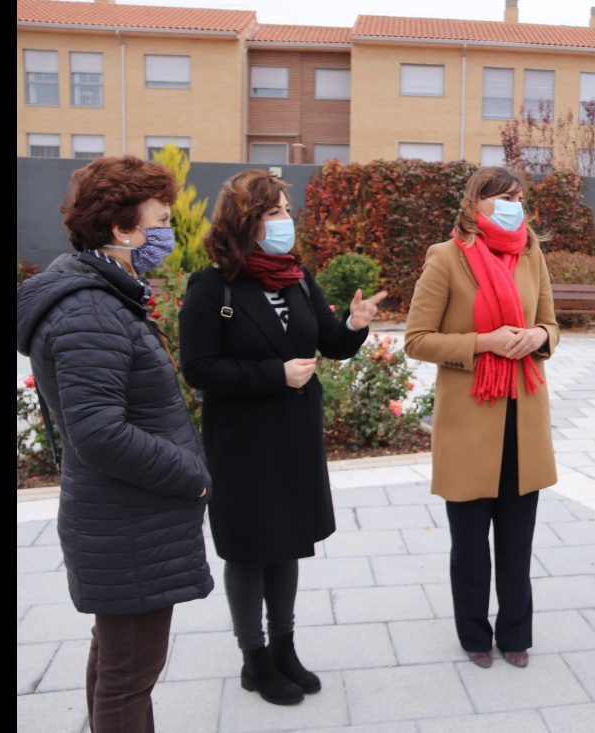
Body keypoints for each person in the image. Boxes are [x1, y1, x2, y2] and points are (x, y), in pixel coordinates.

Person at [16, 155, 214, 733]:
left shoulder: (104, 295)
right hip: (128, 524)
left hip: (128, 519)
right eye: (160, 220)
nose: (168, 233)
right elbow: (99, 432)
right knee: (130, 675)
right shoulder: (90, 309)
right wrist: (191, 473)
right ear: (123, 229)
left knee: (116, 663)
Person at [177, 169, 387, 706]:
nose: (285, 222)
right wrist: (274, 375)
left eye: (287, 211)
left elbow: (331, 343)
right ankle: (254, 659)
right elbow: (198, 367)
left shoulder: (297, 277)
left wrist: (356, 323)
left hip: (291, 436)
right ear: (245, 221)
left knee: (287, 544)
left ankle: (285, 648)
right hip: (242, 442)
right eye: (273, 213)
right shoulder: (211, 286)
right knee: (249, 550)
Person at [404, 166, 560, 669]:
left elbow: (551, 325)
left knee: (517, 545)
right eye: (502, 197)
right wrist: (483, 344)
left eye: (518, 196)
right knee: (470, 548)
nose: (514, 203)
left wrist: (539, 338)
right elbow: (416, 339)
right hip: (471, 422)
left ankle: (516, 633)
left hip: (524, 419)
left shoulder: (531, 254)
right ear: (476, 205)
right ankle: (474, 634)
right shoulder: (446, 259)